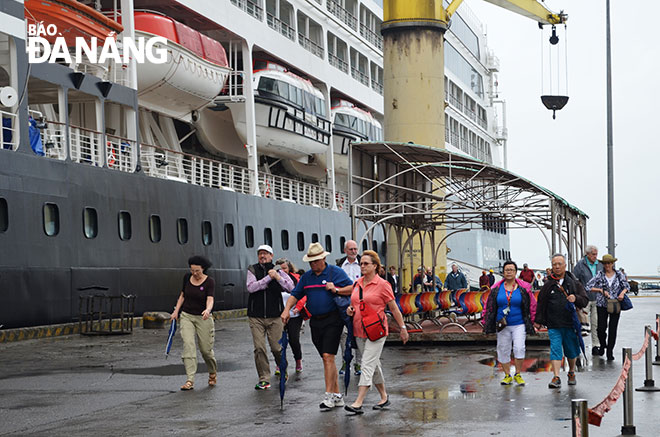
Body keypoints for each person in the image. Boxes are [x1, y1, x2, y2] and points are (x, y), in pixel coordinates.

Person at [281, 242, 354, 410]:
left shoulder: (335, 272)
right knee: (326, 359)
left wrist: (336, 289)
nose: (313, 264)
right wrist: (286, 310)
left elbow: (353, 287)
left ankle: (328, 395)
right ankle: (337, 395)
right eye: (310, 262)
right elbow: (295, 294)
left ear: (323, 258)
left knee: (328, 356)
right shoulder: (306, 277)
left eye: (316, 261)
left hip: (333, 319)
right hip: (315, 321)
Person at [344, 250, 409, 414]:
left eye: (366, 264)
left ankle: (358, 402)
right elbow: (354, 304)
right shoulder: (357, 283)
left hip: (376, 331)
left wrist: (402, 328)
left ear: (375, 266)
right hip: (359, 330)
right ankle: (384, 397)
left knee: (366, 364)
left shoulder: (383, 285)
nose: (362, 266)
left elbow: (393, 308)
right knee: (373, 366)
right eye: (361, 263)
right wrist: (350, 310)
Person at [534, 254, 588, 389]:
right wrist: (538, 322)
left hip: (570, 324)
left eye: (559, 264)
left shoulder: (574, 283)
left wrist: (575, 298)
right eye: (554, 264)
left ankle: (571, 372)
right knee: (556, 350)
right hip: (553, 324)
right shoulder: (548, 285)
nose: (557, 267)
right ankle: (556, 376)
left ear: (565, 266)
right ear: (551, 266)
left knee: (571, 351)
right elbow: (541, 303)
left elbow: (584, 299)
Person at [246, 245, 294, 390]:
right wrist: (268, 278)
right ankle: (263, 378)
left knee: (276, 347)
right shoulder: (252, 270)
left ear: (272, 256)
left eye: (266, 254)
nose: (262, 256)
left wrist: (277, 277)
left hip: (275, 316)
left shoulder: (278, 270)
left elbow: (291, 288)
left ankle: (283, 368)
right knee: (259, 348)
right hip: (256, 316)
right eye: (260, 254)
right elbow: (251, 287)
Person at [483, 261, 536, 386]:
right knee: (503, 349)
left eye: (511, 270)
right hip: (502, 325)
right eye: (507, 270)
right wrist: (485, 321)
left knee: (519, 347)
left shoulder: (524, 288)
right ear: (503, 272)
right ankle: (507, 375)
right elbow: (488, 305)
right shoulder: (496, 288)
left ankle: (518, 373)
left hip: (519, 323)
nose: (509, 272)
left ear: (516, 272)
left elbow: (532, 304)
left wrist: (533, 320)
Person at [170, 255, 217, 391]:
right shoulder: (186, 278)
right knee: (188, 345)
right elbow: (182, 296)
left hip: (203, 317)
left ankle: (212, 372)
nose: (195, 273)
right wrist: (175, 312)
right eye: (192, 270)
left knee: (205, 350)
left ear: (203, 269)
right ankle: (190, 379)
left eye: (197, 271)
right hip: (187, 316)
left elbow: (210, 299)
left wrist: (208, 310)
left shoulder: (210, 282)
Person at [585, 254, 631, 361]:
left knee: (613, 328)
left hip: (615, 303)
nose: (607, 265)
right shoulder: (600, 275)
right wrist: (600, 290)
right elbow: (588, 286)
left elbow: (626, 286)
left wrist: (622, 293)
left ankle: (610, 351)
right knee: (601, 328)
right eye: (605, 263)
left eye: (609, 263)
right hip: (602, 304)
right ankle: (602, 345)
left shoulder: (619, 274)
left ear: (612, 263)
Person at [337, 239, 362, 376]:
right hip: (344, 302)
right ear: (345, 250)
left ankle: (358, 363)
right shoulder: (340, 265)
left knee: (358, 333)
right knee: (344, 334)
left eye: (355, 249)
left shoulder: (362, 263)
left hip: (360, 303)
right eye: (351, 249)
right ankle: (345, 361)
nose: (354, 252)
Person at [573, 245, 603, 356]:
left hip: (597, 298)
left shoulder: (600, 265)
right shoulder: (580, 266)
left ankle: (596, 345)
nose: (595, 256)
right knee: (581, 325)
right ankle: (577, 345)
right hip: (584, 299)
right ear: (587, 254)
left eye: (596, 254)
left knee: (595, 323)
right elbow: (574, 281)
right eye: (593, 254)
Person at [276, 258, 304, 373]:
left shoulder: (296, 279)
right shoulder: (274, 280)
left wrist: (299, 307)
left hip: (294, 315)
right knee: (279, 342)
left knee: (294, 340)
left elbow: (303, 295)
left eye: (284, 268)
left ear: (289, 268)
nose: (282, 271)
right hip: (279, 315)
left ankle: (298, 360)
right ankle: (280, 364)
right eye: (280, 269)